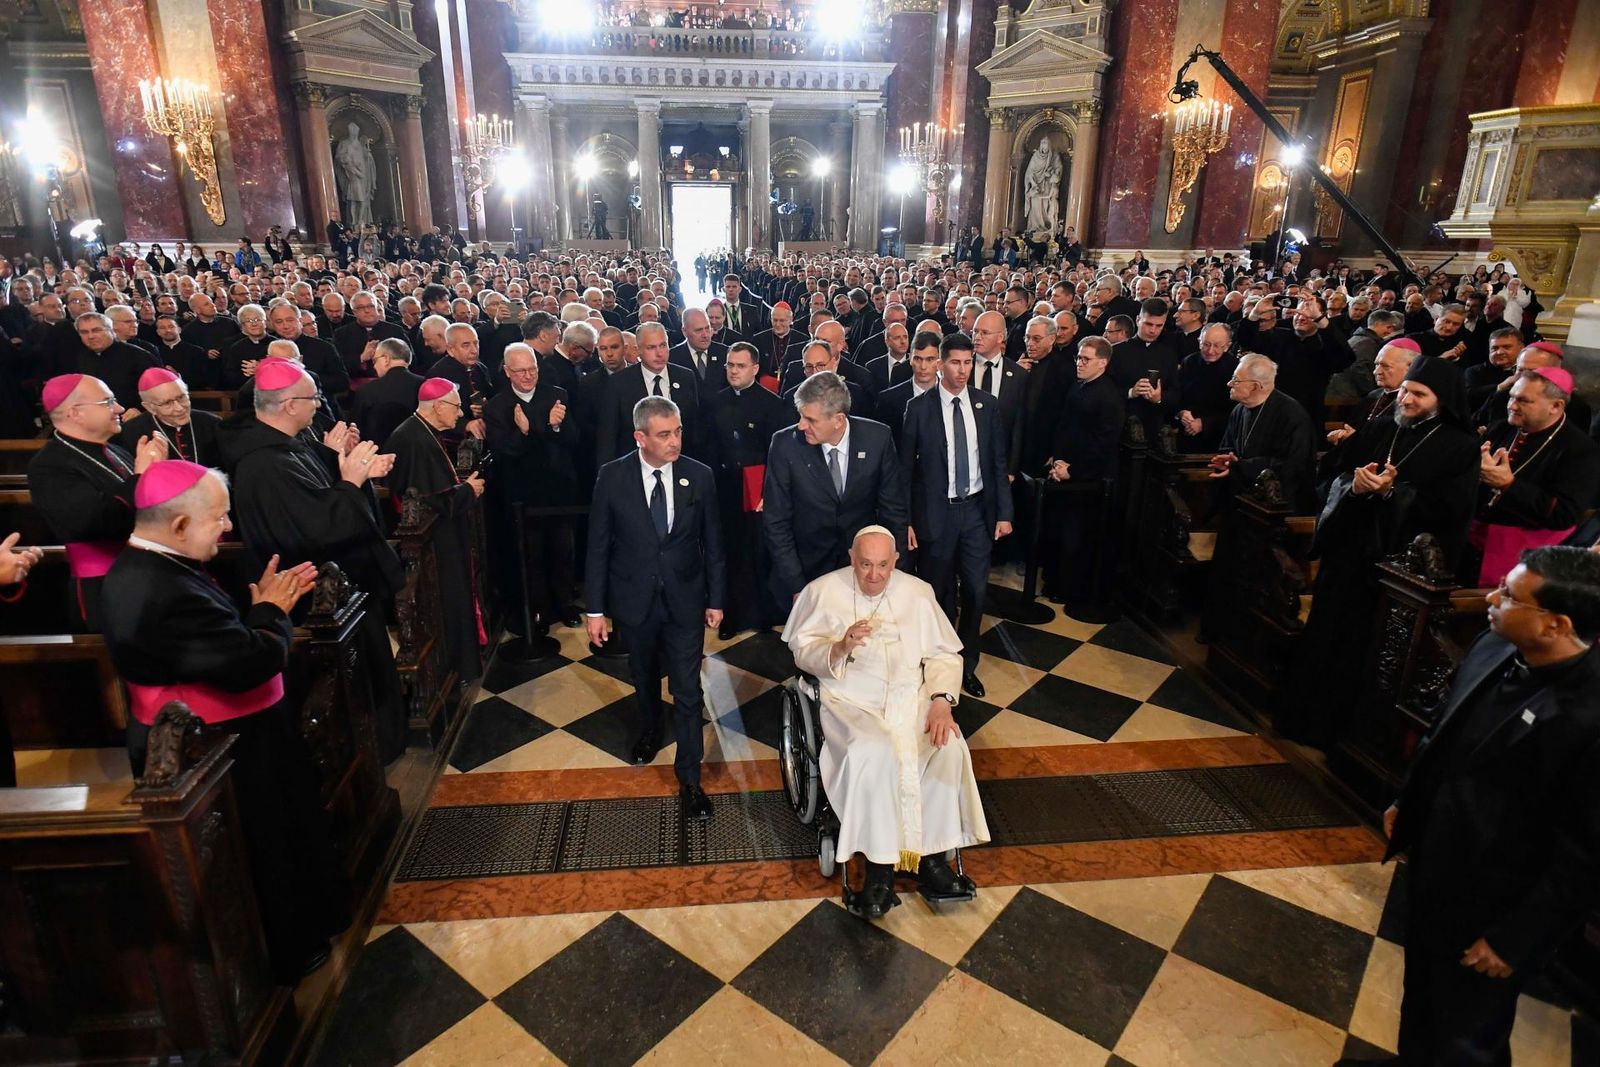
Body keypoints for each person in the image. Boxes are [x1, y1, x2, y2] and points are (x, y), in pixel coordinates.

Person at [100, 460, 349, 981]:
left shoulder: (154, 566)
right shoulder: (160, 589)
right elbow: (250, 662)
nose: (228, 527)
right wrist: (272, 613)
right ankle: (291, 948)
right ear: (180, 526)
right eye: (218, 518)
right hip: (222, 748)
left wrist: (259, 610)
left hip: (223, 737)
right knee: (266, 849)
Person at [1380, 547, 1600, 1067]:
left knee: (1467, 1035)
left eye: (1508, 596)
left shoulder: (1590, 719)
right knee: (1422, 999)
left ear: (1556, 624)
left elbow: (1585, 856)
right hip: (1438, 867)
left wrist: (1513, 940)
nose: (1490, 598)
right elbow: (1443, 731)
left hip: (1495, 904)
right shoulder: (1493, 645)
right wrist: (1407, 801)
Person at [782, 526, 989, 919]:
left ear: (896, 561)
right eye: (865, 565)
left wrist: (942, 702)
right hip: (851, 703)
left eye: (882, 565)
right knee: (874, 752)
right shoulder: (823, 591)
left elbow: (945, 655)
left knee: (947, 747)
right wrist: (839, 646)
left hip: (911, 700)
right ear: (851, 559)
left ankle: (930, 860)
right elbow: (802, 652)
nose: (874, 575)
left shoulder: (918, 593)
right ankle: (878, 872)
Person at [1281, 356, 1480, 748]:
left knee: (1364, 650)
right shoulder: (1381, 426)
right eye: (1406, 390)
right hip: (1349, 554)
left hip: (1397, 570)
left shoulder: (1460, 447)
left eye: (1418, 394)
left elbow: (1450, 511)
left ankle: (1341, 736)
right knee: (1324, 634)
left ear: (1441, 401)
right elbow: (1333, 473)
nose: (1406, 399)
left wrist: (1392, 493)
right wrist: (1355, 488)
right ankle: (1299, 718)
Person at [225, 358, 408, 760]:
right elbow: (319, 529)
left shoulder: (289, 444)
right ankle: (372, 753)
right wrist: (351, 481)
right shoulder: (264, 464)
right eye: (313, 398)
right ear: (289, 405)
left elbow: (319, 493)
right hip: (319, 599)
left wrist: (338, 461)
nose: (319, 406)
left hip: (345, 593)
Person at [584, 396, 725, 821]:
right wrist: (595, 609)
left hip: (685, 600)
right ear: (640, 437)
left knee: (687, 690)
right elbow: (598, 547)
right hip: (634, 600)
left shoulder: (699, 476)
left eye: (678, 431)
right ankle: (649, 727)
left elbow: (715, 544)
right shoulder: (612, 477)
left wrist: (717, 599)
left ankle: (691, 780)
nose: (674, 441)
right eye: (664, 435)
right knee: (643, 675)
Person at [900, 332, 1013, 698]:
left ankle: (967, 665)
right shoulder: (919, 409)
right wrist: (906, 521)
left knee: (977, 593)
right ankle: (940, 667)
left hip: (977, 513)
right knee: (939, 596)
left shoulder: (987, 405)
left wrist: (1004, 513)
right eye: (955, 362)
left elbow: (997, 462)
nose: (962, 370)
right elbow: (905, 471)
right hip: (936, 515)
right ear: (939, 364)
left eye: (968, 363)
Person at [29, 374, 169, 630]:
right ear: (75, 413)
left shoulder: (117, 450)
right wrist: (140, 477)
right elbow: (91, 523)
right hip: (104, 587)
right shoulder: (49, 465)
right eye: (108, 402)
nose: (120, 408)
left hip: (151, 574)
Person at [763, 371, 909, 606]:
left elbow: (893, 511)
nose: (801, 426)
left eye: (810, 420)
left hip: (861, 570)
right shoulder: (784, 445)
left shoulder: (878, 438)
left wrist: (894, 571)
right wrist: (796, 585)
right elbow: (776, 521)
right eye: (801, 416)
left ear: (838, 420)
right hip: (807, 571)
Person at [385, 378, 486, 685]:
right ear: (438, 406)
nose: (459, 414)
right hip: (435, 540)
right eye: (456, 407)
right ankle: (459, 664)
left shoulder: (420, 431)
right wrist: (470, 490)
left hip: (437, 534)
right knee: (450, 598)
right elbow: (436, 499)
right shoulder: (415, 440)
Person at [1468, 368, 1600, 588]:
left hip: (1520, 555)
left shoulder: (1582, 451)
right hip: (1470, 540)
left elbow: (1564, 514)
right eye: (1511, 397)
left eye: (1523, 401)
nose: (1511, 405)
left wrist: (1509, 485)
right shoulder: (1502, 429)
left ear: (1555, 406)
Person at [484, 343, 579, 633]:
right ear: (508, 372)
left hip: (557, 489)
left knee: (563, 550)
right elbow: (503, 452)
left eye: (532, 369)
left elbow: (573, 440)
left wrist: (555, 427)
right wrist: (526, 432)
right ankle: (538, 608)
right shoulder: (497, 406)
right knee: (531, 555)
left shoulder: (557, 395)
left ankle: (565, 603)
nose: (527, 376)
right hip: (521, 494)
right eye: (521, 371)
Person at [707, 342, 786, 638]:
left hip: (759, 488)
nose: (734, 371)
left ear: (755, 368)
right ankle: (732, 613)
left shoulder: (772, 404)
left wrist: (770, 490)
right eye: (730, 365)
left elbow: (776, 453)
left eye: (740, 366)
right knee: (729, 551)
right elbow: (709, 447)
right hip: (725, 487)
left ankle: (763, 612)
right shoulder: (715, 401)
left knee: (759, 551)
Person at [1042, 335, 1124, 606]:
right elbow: (1064, 426)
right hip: (1065, 470)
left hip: (1087, 480)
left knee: (1075, 536)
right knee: (1057, 530)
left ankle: (1068, 588)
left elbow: (1103, 445)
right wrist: (1056, 459)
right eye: (1078, 357)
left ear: (1102, 363)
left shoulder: (1109, 396)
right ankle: (1053, 580)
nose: (1079, 362)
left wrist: (1072, 470)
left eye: (1086, 359)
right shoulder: (1078, 386)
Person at [1208, 354, 1317, 513]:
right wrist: (1228, 461)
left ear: (1255, 386)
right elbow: (1228, 446)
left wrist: (1243, 466)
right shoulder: (1239, 410)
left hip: (1277, 506)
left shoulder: (1292, 415)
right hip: (1242, 497)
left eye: (1236, 380)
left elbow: (1292, 465)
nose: (1229, 383)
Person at [116, 367, 223, 466]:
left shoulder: (212, 423)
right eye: (167, 403)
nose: (179, 408)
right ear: (150, 408)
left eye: (182, 397)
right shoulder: (130, 433)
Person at [345, 337, 426, 446]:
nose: (374, 366)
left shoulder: (366, 391)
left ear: (386, 359)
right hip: (419, 451)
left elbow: (356, 430)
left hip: (378, 456)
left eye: (374, 360)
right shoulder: (425, 384)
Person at [874, 330, 943, 443]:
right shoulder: (888, 400)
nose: (923, 366)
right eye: (918, 359)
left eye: (930, 359)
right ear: (910, 358)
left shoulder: (953, 398)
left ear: (940, 362)